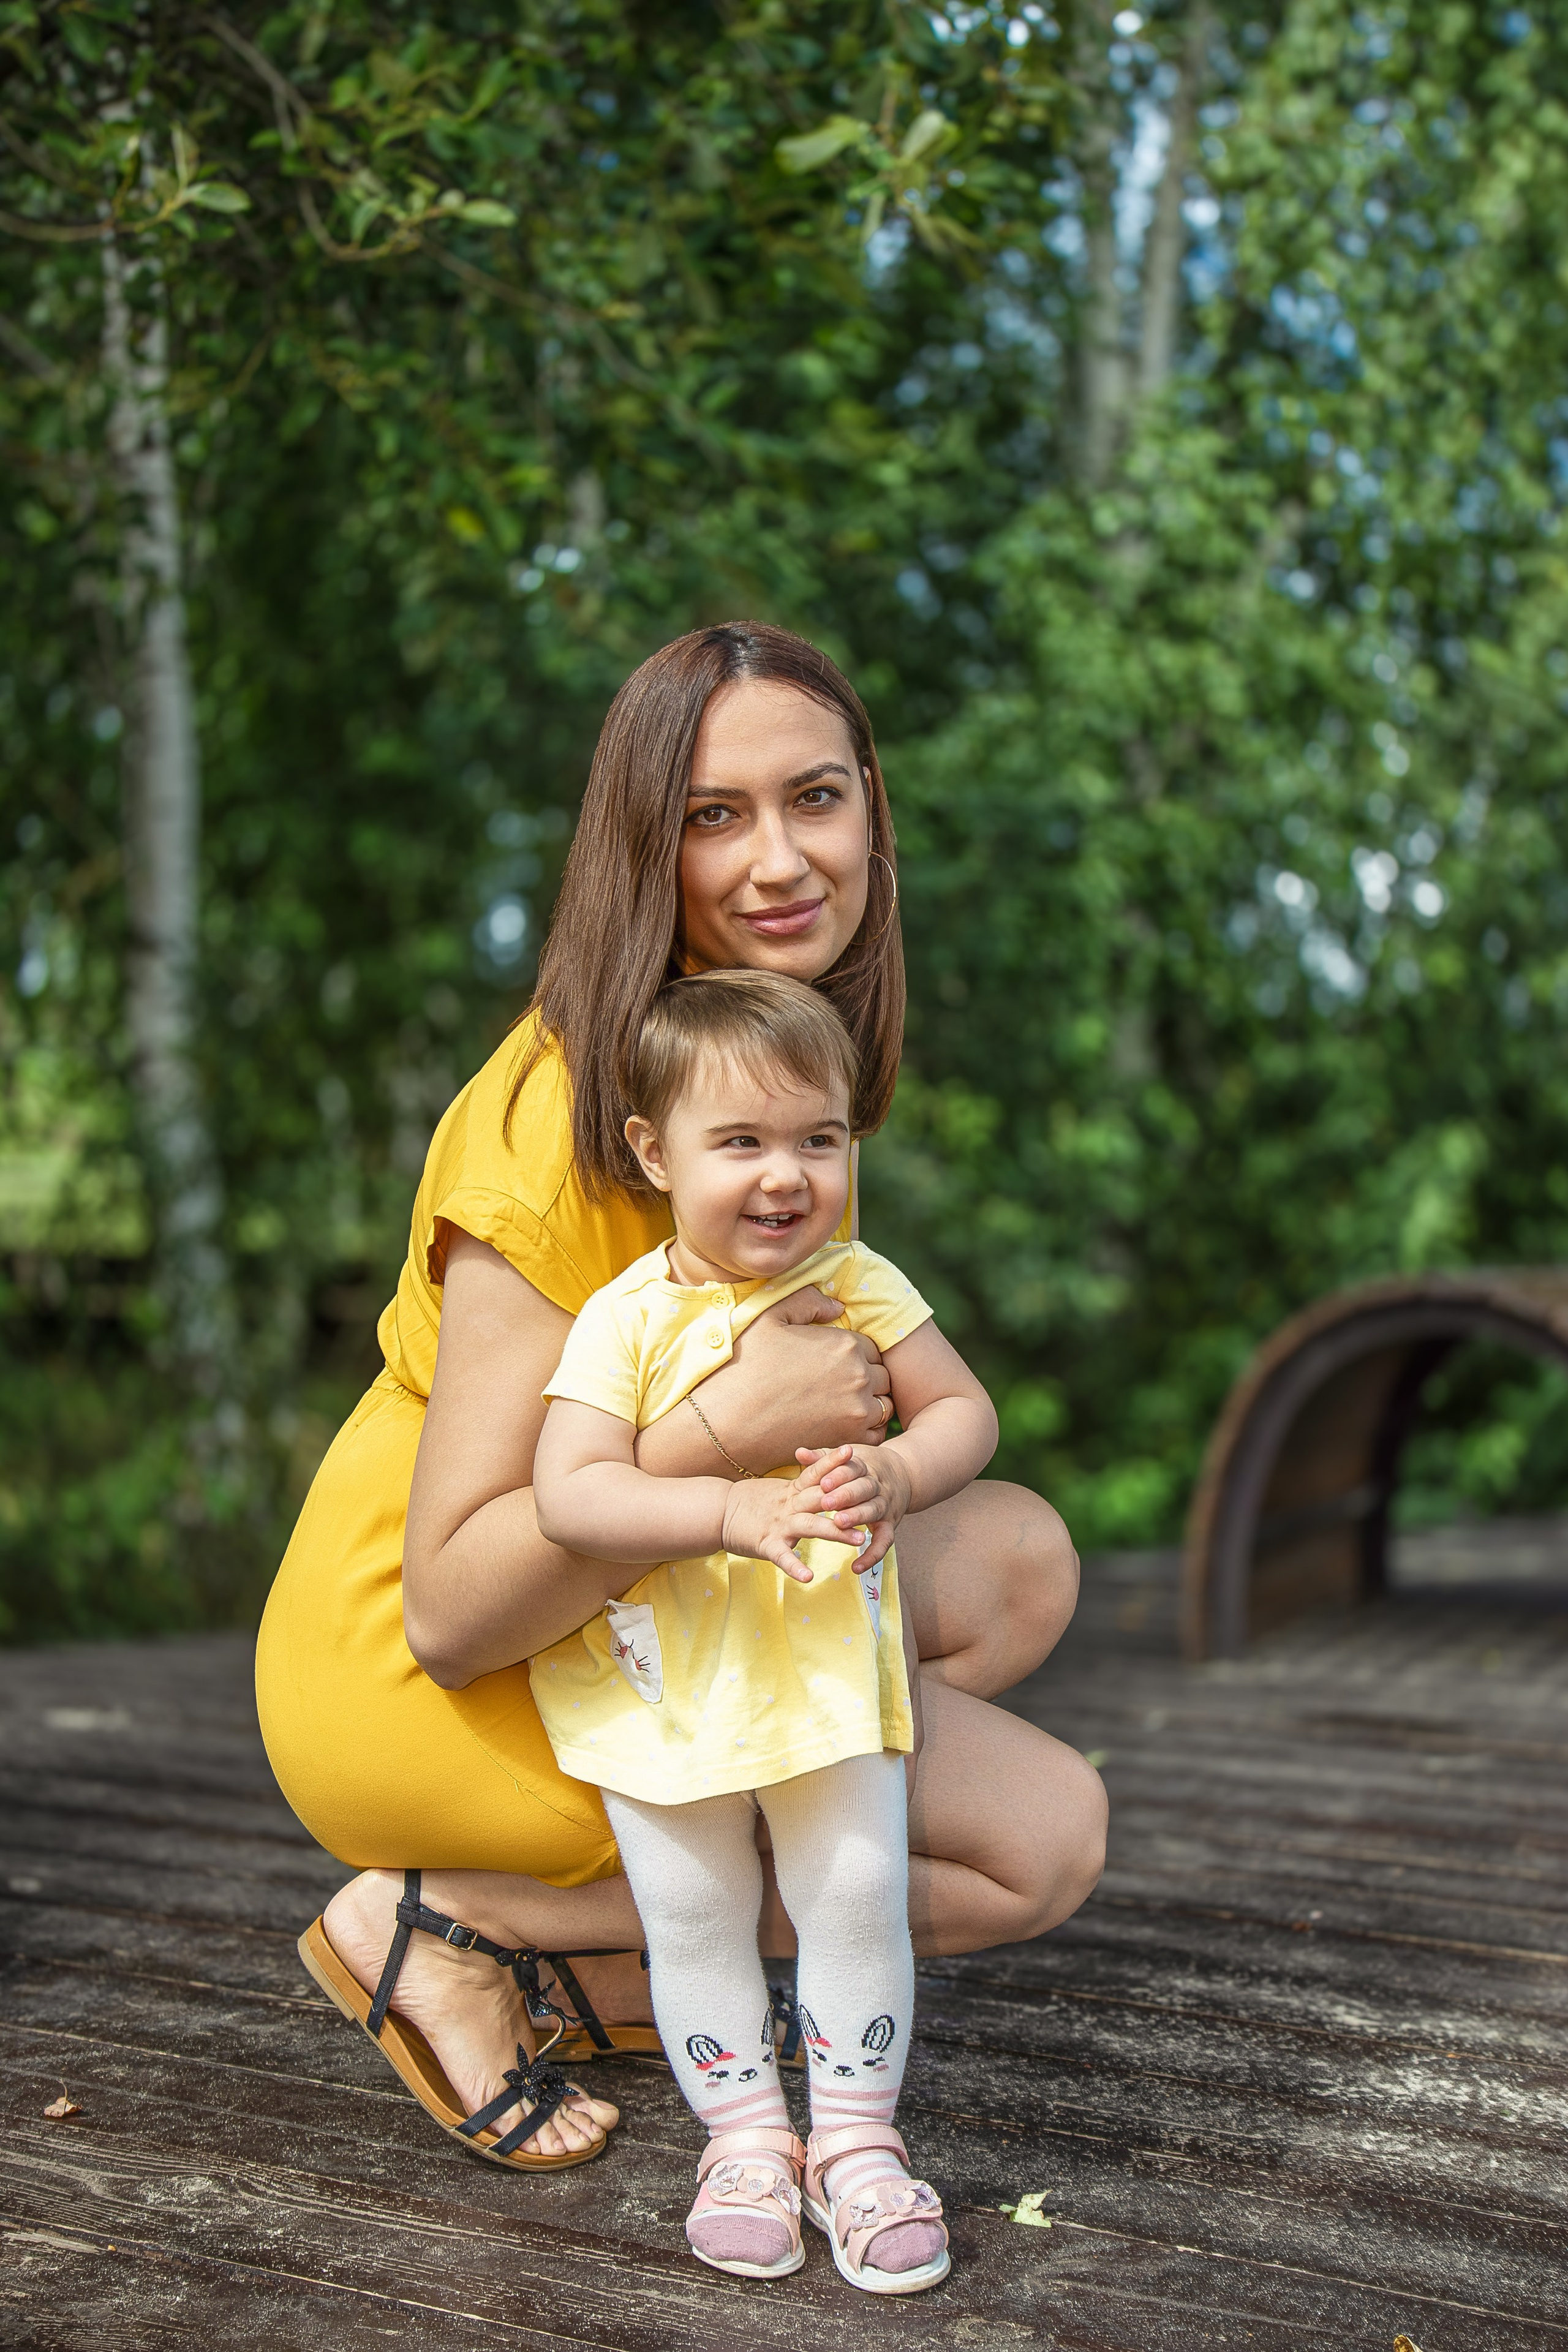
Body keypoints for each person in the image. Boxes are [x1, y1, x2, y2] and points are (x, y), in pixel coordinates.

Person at [256, 619, 1106, 2173]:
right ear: (641, 848)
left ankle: (608, 1959)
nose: (779, 859)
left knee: (1016, 1560)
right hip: (428, 1663)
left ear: (872, 816)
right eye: (714, 816)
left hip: (640, 1582)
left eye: (817, 798)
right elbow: (450, 1605)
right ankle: (441, 1927)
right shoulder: (555, 1117)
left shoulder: (755, 1074)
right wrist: (729, 1436)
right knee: (1031, 1847)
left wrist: (856, 1463)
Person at [531, 967, 995, 2290]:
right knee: (690, 1909)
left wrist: (904, 1472)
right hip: (665, 1689)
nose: (783, 1175)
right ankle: (742, 2140)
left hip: (824, 1677)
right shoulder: (625, 1318)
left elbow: (965, 1413)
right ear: (652, 1151)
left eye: (818, 1139)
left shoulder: (859, 1283)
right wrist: (728, 1503)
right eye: (739, 1142)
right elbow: (571, 1493)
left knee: (851, 1894)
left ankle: (854, 2143)